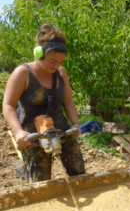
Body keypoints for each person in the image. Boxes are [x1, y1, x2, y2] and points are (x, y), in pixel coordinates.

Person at [2, 23, 85, 182]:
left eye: (60, 62)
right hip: (32, 135)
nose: (56, 66)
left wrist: (75, 124)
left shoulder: (60, 73)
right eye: (52, 61)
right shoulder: (23, 73)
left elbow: (68, 100)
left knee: (79, 174)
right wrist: (18, 131)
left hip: (61, 129)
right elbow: (8, 105)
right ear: (38, 53)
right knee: (41, 183)